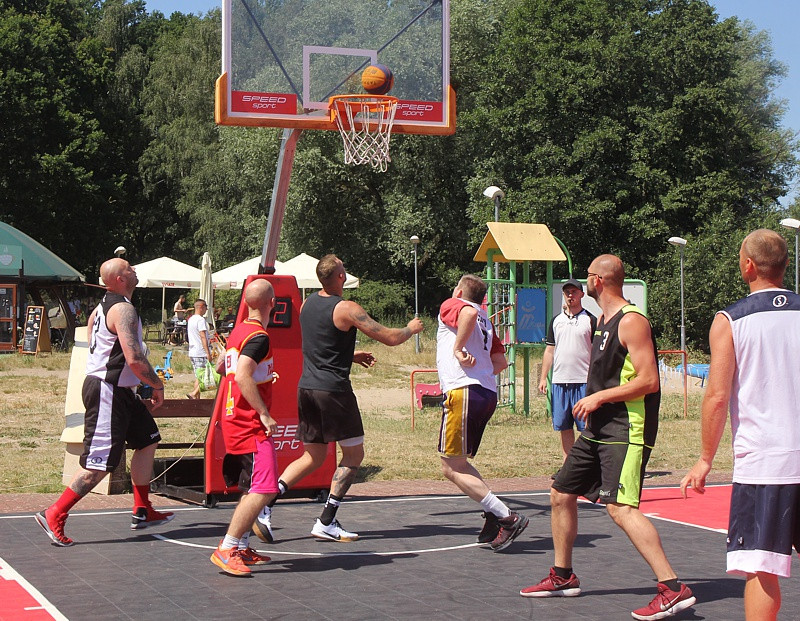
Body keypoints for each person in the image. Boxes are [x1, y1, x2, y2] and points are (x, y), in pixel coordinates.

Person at [520, 254, 696, 621]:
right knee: (560, 492)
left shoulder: (631, 321)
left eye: (587, 276)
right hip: (598, 427)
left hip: (626, 427)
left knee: (620, 508)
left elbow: (649, 380)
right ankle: (563, 576)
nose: (584, 282)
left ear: (598, 280)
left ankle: (673, 587)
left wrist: (598, 396)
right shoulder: (600, 319)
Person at [253, 254, 423, 543]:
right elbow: (390, 337)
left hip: (306, 388)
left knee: (313, 456)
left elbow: (319, 342)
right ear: (340, 277)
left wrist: (349, 355)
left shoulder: (307, 304)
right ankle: (327, 520)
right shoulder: (347, 308)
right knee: (354, 455)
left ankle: (264, 507)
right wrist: (411, 328)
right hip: (333, 391)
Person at [680, 229, 800, 620]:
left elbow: (716, 395)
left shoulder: (731, 320)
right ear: (785, 265)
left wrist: (704, 458)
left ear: (747, 265)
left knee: (762, 569)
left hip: (767, 462)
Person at [35, 258, 173, 546]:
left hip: (119, 389)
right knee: (99, 463)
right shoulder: (122, 309)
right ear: (120, 279)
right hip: (108, 390)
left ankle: (142, 507)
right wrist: (156, 384)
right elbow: (133, 358)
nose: (134, 270)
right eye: (129, 268)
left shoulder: (100, 309)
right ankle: (55, 512)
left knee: (148, 440)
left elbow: (103, 347)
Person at [436, 274, 528, 551]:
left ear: (460, 290)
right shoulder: (486, 321)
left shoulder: (458, 305)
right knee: (460, 464)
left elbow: (464, 311)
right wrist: (480, 370)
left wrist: (458, 348)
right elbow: (499, 361)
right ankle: (492, 513)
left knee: (450, 467)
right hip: (486, 392)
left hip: (464, 391)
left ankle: (506, 516)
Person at [210, 279, 279, 576]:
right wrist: (263, 411)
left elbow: (220, 368)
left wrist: (261, 379)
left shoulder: (238, 330)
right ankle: (227, 547)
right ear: (272, 303)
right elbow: (240, 375)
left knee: (252, 486)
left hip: (233, 416)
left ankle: (241, 547)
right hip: (248, 422)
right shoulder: (260, 336)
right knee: (265, 488)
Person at [538, 278, 596, 462]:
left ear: (582, 294)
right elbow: (549, 350)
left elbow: (596, 352)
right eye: (567, 292)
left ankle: (587, 464)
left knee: (586, 427)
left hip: (583, 381)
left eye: (574, 292)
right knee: (563, 426)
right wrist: (543, 378)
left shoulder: (591, 320)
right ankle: (568, 465)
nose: (571, 295)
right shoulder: (556, 321)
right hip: (560, 380)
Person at [187, 298, 213, 400]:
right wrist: (208, 352)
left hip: (193, 351)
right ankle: (194, 394)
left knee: (198, 377)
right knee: (203, 377)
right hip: (200, 352)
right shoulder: (201, 320)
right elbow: (203, 336)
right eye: (206, 307)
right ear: (201, 307)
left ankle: (197, 401)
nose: (206, 309)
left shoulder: (191, 319)